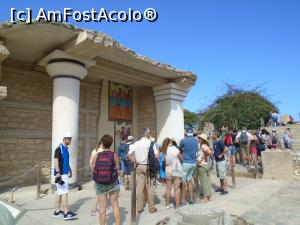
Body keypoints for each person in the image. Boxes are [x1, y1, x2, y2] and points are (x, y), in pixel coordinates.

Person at [91, 135, 121, 225]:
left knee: (102, 207)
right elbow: (118, 168)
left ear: (102, 144)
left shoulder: (97, 155)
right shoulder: (114, 155)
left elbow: (93, 167)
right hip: (113, 182)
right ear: (110, 144)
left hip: (100, 183)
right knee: (115, 204)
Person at [128, 128, 158, 214]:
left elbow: (129, 154)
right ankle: (151, 208)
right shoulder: (151, 143)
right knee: (150, 188)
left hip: (139, 166)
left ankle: (139, 207)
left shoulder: (136, 143)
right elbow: (156, 155)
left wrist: (134, 161)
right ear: (148, 134)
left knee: (140, 188)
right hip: (149, 167)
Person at [53, 132, 77, 220]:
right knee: (64, 192)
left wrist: (70, 170)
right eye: (68, 139)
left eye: (70, 139)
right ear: (64, 139)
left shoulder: (66, 149)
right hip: (61, 174)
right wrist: (58, 173)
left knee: (59, 192)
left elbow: (66, 161)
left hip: (65, 173)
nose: (70, 140)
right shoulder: (59, 149)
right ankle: (66, 212)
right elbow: (56, 161)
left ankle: (56, 211)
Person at [161, 138, 182, 209]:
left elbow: (164, 160)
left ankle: (167, 204)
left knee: (168, 188)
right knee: (176, 188)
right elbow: (181, 158)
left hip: (168, 168)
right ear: (170, 142)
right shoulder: (174, 149)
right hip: (176, 168)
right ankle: (177, 206)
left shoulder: (164, 150)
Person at [179, 128, 198, 205]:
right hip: (193, 163)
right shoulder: (195, 140)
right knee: (189, 181)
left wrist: (183, 149)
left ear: (186, 133)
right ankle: (191, 199)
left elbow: (179, 149)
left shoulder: (183, 140)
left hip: (186, 162)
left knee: (183, 182)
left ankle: (183, 201)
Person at [197, 134, 213, 202]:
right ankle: (209, 196)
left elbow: (209, 152)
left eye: (199, 138)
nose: (198, 139)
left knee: (204, 182)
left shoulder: (203, 146)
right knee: (207, 181)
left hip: (202, 165)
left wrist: (201, 159)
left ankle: (205, 197)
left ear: (202, 140)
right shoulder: (206, 146)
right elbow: (210, 152)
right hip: (206, 165)